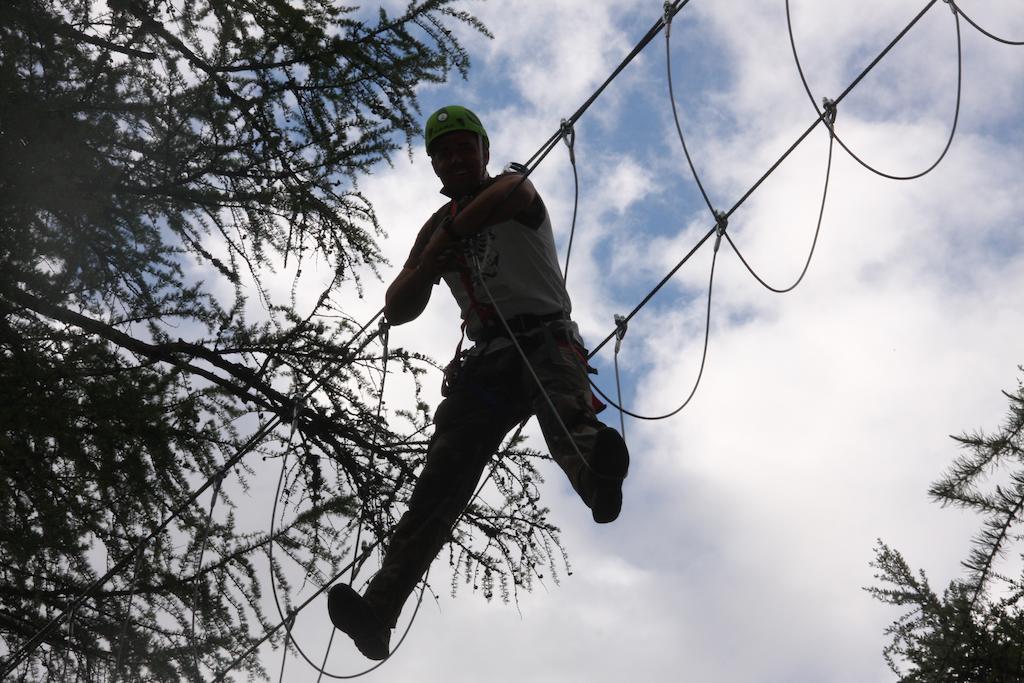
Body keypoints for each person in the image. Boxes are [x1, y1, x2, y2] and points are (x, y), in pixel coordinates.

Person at [328, 105, 629, 660]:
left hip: (543, 337)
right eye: (444, 152)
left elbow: (506, 198)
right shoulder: (434, 228)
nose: (457, 157)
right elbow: (397, 307)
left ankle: (598, 481)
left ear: (483, 152)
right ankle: (378, 613)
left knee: (565, 411)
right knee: (440, 481)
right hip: (487, 361)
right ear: (435, 167)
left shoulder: (513, 185)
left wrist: (448, 235)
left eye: (465, 147)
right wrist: (435, 250)